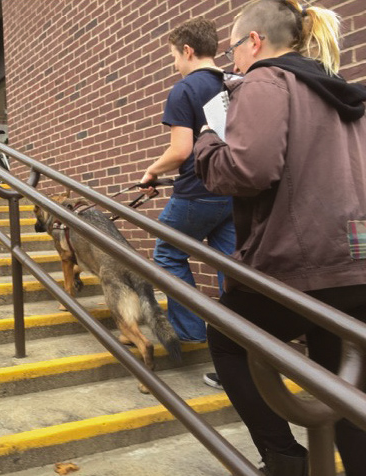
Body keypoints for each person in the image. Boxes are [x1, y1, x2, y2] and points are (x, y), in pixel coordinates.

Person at [193, 1, 366, 474]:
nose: (231, 62)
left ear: (254, 41)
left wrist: (207, 139)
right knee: (344, 394)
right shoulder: (342, 93)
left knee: (227, 337)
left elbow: (250, 168)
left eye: (232, 49)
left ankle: (284, 457)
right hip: (354, 261)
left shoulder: (266, 80)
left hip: (297, 263)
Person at [140, 19, 235, 351]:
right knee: (231, 267)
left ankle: (192, 333)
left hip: (198, 191)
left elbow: (181, 150)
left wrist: (151, 171)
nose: (175, 63)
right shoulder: (233, 83)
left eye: (174, 56)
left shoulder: (185, 89)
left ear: (188, 50)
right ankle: (235, 343)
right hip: (234, 191)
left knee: (167, 255)